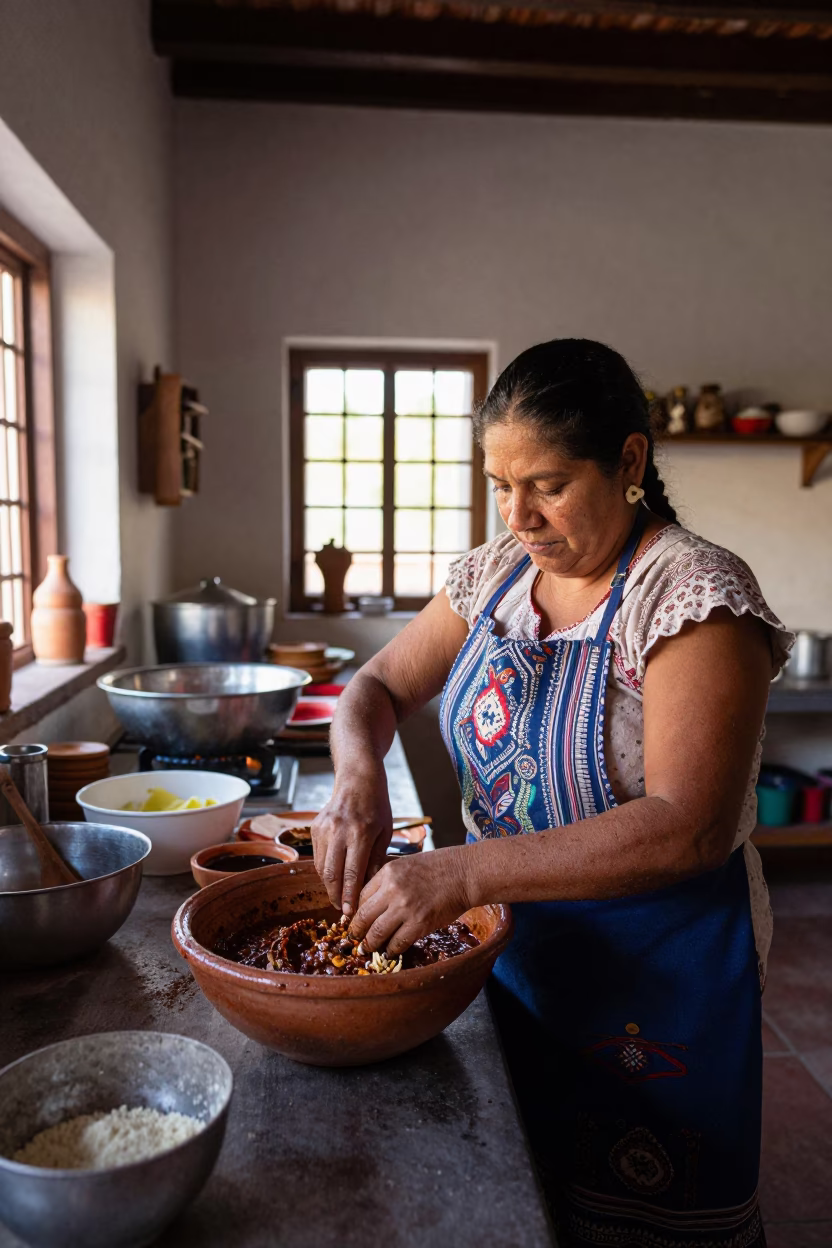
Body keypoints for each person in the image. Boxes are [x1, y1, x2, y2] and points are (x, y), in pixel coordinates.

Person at [312, 339, 791, 1246]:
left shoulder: (694, 596)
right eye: (500, 483)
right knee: (517, 1188)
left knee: (650, 1217)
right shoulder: (497, 574)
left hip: (659, 972)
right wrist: (355, 779)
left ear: (630, 461)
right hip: (515, 953)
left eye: (548, 483)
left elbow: (684, 828)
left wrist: (458, 875)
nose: (518, 515)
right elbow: (372, 690)